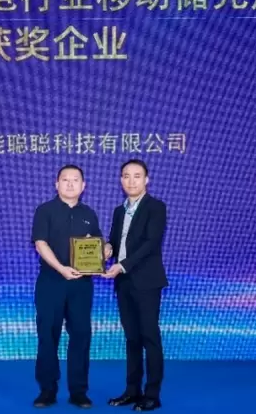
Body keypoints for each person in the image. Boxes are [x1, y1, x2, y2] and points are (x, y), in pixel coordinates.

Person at [31, 164, 104, 409]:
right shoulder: (45, 210)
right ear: (57, 184)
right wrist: (61, 268)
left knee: (81, 336)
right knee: (47, 335)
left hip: (81, 286)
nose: (70, 184)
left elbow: (96, 243)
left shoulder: (89, 213)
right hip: (51, 282)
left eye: (75, 180)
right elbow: (40, 244)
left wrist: (106, 249)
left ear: (84, 186)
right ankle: (47, 391)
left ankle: (79, 392)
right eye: (65, 179)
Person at [102, 159, 168, 411]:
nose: (131, 181)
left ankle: (152, 394)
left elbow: (151, 243)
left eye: (137, 176)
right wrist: (107, 248)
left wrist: (122, 265)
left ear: (146, 180)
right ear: (121, 180)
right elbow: (114, 241)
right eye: (126, 176)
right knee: (131, 338)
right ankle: (132, 391)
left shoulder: (156, 207)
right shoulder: (119, 211)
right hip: (124, 283)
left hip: (147, 282)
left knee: (149, 336)